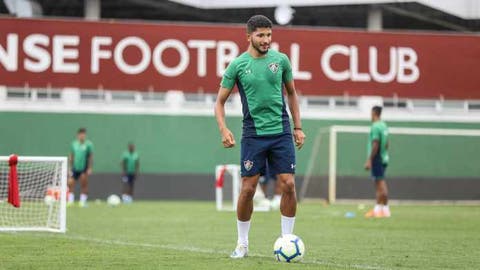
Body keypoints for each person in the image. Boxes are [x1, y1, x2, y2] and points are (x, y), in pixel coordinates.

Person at [214, 15, 306, 259]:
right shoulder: (237, 66)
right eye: (261, 35)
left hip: (281, 130)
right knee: (248, 189)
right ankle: (242, 243)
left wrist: (298, 127)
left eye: (269, 35)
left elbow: (293, 94)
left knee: (288, 184)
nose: (266, 40)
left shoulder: (281, 60)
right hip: (253, 134)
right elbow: (219, 102)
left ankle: (287, 239)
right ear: (249, 36)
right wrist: (223, 129)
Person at [364, 106, 391, 218]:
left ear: (374, 113)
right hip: (384, 157)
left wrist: (370, 160)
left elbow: (376, 143)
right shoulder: (384, 125)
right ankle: (379, 209)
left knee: (380, 184)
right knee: (379, 183)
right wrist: (384, 154)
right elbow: (387, 143)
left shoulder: (375, 126)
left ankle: (385, 210)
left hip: (377, 158)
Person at [68, 128, 93, 207]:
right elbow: (72, 155)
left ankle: (82, 202)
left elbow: (90, 157)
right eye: (80, 134)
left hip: (84, 167)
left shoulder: (88, 144)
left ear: (85, 135)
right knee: (70, 183)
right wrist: (70, 167)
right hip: (75, 167)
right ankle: (70, 201)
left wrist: (89, 168)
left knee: (84, 183)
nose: (82, 136)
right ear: (78, 135)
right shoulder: (74, 144)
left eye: (83, 134)